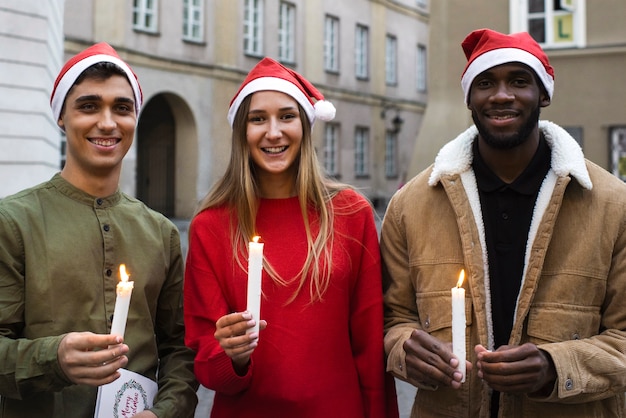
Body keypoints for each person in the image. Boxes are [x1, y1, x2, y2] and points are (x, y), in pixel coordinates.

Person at [381, 28, 626, 418]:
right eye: (485, 83)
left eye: (519, 81)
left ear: (543, 94)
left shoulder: (613, 205)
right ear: (469, 99)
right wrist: (402, 347)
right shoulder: (410, 205)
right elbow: (393, 318)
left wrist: (554, 367)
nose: (501, 95)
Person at [184, 57, 399, 418]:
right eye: (257, 119)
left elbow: (369, 344)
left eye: (286, 116)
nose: (273, 132)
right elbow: (205, 359)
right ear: (242, 131)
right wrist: (230, 356)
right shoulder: (211, 225)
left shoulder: (350, 213)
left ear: (305, 124)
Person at [0, 43, 198, 417]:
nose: (107, 123)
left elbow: (180, 350)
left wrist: (165, 412)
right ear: (62, 117)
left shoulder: (161, 233)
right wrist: (52, 357)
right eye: (89, 106)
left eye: (122, 108)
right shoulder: (13, 222)